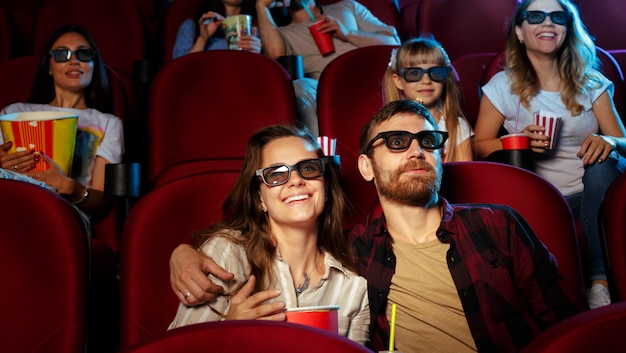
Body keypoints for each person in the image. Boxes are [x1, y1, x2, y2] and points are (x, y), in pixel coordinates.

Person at [169, 100, 580, 352]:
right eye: (397, 142)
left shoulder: (498, 226)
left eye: (428, 141)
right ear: (365, 166)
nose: (417, 150)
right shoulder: (360, 255)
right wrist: (186, 252)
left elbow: (565, 333)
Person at [474, 0, 626, 310]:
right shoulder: (503, 85)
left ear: (568, 29)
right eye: (536, 16)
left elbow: (623, 143)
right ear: (519, 30)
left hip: (593, 194)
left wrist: (609, 141)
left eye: (558, 17)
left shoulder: (592, 83)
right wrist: (516, 142)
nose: (548, 23)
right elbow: (480, 146)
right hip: (540, 195)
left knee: (603, 165)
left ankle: (600, 284)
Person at [168, 124, 369, 344]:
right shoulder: (227, 253)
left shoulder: (353, 287)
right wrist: (227, 334)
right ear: (259, 199)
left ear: (326, 186)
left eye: (309, 168)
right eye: (276, 175)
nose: (295, 180)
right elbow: (179, 348)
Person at [255, 0, 400, 136]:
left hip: (370, 77)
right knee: (298, 86)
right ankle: (321, 157)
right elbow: (276, 54)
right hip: (325, 91)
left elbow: (393, 42)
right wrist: (261, 6)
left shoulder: (347, 7)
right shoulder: (282, 33)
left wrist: (348, 33)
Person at [0, 24, 124, 222]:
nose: (74, 61)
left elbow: (101, 202)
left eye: (83, 54)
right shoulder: (14, 112)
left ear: (94, 65)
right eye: (61, 54)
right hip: (10, 204)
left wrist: (68, 186)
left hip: (64, 217)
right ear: (49, 66)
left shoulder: (108, 123)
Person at [383, 36, 473, 162]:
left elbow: (467, 176)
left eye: (435, 72)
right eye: (414, 73)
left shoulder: (456, 126)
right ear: (398, 80)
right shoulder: (389, 126)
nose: (426, 80)